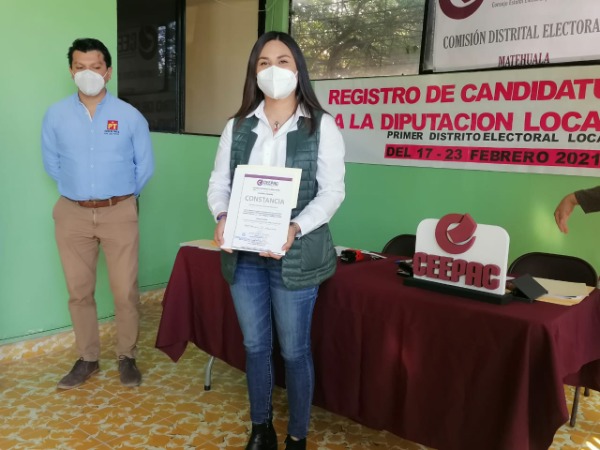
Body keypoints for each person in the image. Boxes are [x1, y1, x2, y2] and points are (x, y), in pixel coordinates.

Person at [207, 32, 345, 450]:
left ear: (298, 69)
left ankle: (296, 436)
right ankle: (261, 428)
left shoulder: (321, 125)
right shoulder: (237, 126)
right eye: (263, 62)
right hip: (244, 254)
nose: (273, 70)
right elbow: (219, 183)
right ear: (254, 72)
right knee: (255, 346)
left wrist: (295, 227)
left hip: (295, 254)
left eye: (283, 61)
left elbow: (332, 192)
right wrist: (222, 216)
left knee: (294, 351)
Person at [41, 38, 154, 390]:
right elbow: (52, 163)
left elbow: (144, 167)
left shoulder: (129, 116)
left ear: (108, 71)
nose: (87, 73)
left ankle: (127, 356)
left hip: (119, 211)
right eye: (80, 67)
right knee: (78, 291)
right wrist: (80, 192)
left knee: (124, 291)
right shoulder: (55, 115)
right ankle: (88, 358)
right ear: (71, 71)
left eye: (95, 67)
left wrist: (121, 198)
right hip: (72, 213)